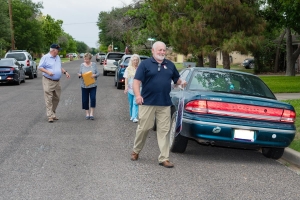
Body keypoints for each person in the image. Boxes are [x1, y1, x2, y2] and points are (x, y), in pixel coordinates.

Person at [130, 41, 186, 168]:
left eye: (163, 50)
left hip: (164, 103)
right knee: (144, 128)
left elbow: (176, 80)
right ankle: (136, 150)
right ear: (153, 51)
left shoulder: (170, 65)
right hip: (147, 102)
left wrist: (182, 82)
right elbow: (136, 81)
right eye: (159, 50)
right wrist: (138, 95)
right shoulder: (145, 64)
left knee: (164, 131)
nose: (162, 52)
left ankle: (164, 158)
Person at [38, 44, 70, 123]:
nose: (59, 51)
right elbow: (40, 67)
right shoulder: (45, 57)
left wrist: (65, 72)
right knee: (49, 98)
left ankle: (52, 113)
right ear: (53, 50)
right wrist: (48, 72)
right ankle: (50, 116)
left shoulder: (58, 57)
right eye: (58, 50)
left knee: (57, 98)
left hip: (57, 81)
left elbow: (59, 67)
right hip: (48, 80)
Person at [77, 53, 100, 120]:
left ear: (90, 59)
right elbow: (80, 73)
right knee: (85, 99)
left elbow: (98, 73)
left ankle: (92, 113)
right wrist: (79, 75)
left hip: (93, 85)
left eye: (87, 59)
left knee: (93, 98)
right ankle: (87, 113)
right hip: (84, 85)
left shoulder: (94, 65)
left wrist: (94, 75)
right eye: (85, 59)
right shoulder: (82, 65)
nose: (86, 60)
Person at [123, 54, 141, 123]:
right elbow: (126, 78)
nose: (135, 61)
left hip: (137, 88)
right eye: (134, 60)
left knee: (135, 102)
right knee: (131, 103)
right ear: (132, 61)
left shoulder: (140, 68)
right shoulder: (128, 68)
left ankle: (134, 117)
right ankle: (132, 115)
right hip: (130, 88)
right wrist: (126, 87)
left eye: (137, 60)